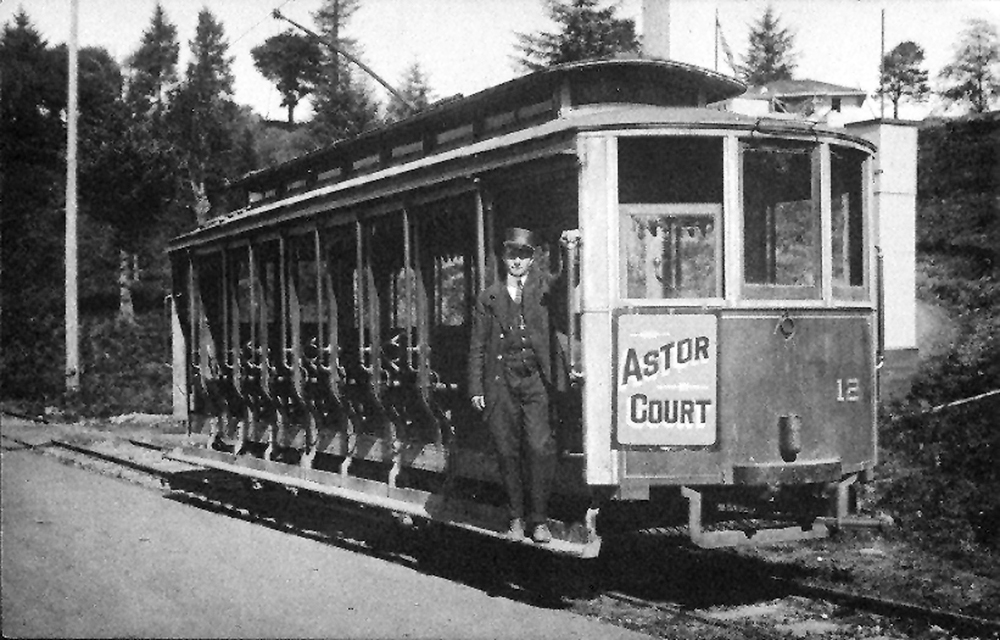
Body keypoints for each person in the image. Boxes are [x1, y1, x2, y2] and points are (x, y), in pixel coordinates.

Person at [468, 226, 566, 544]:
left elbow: (565, 280)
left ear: (532, 259)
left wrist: (569, 251)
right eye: (512, 254)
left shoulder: (544, 289)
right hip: (501, 383)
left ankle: (539, 520)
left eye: (523, 255)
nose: (517, 261)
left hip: (536, 382)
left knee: (539, 447)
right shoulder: (489, 297)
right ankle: (515, 518)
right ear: (503, 257)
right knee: (507, 450)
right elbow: (478, 346)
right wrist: (476, 388)